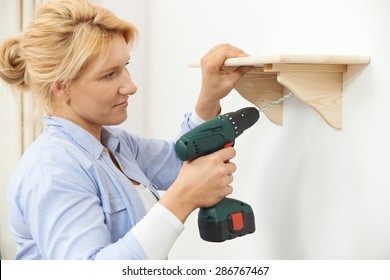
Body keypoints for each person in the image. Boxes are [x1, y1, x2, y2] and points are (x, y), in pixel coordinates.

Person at [0, 0, 252, 259]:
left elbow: (179, 166)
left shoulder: (114, 143)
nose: (130, 86)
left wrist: (208, 99)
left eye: (125, 67)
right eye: (109, 75)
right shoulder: (53, 171)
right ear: (61, 86)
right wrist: (183, 198)